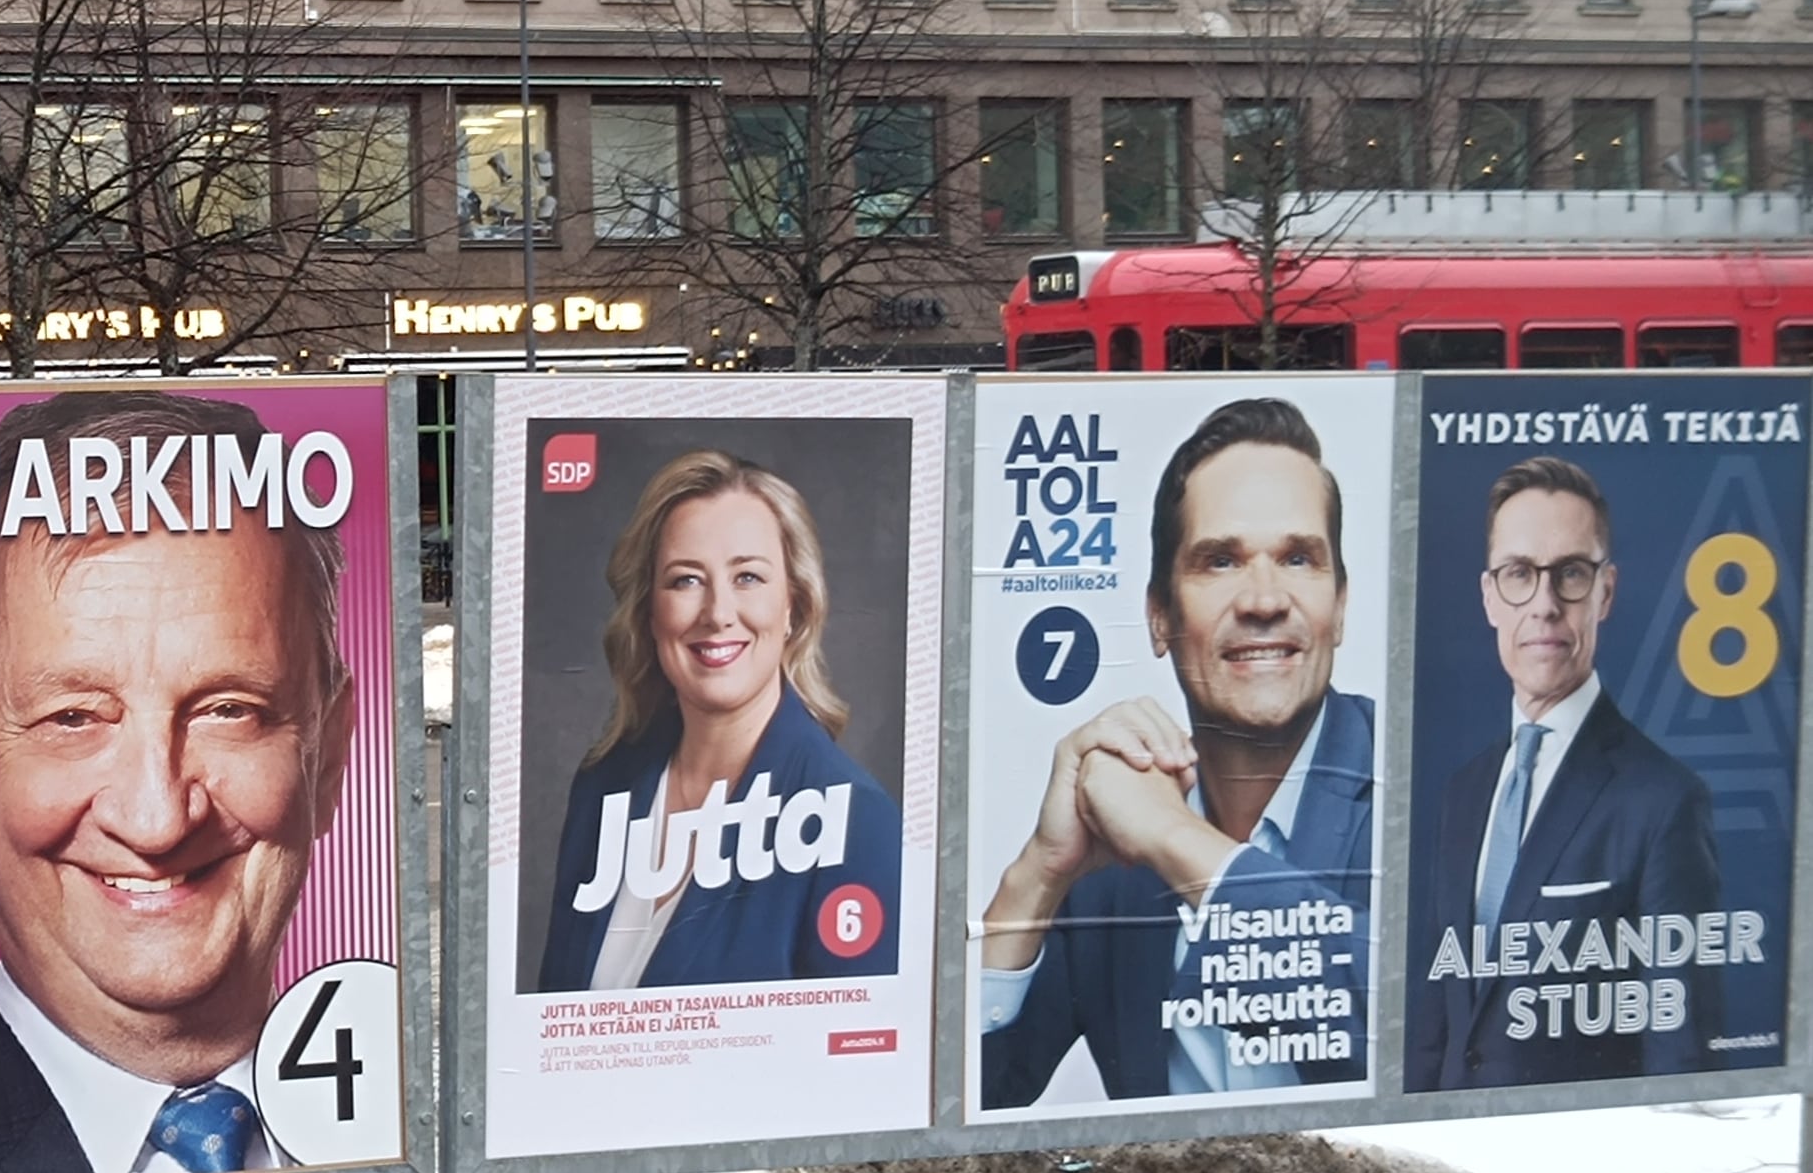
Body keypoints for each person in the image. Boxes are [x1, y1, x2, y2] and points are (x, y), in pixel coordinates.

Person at [0, 386, 360, 1173]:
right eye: (74, 717)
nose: (156, 819)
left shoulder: (429, 1122)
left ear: (327, 756)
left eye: (229, 709)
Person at [977, 396, 1377, 1109]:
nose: (1263, 598)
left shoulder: (1427, 784)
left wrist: (1176, 840)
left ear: (1339, 606)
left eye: (1297, 557)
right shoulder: (1110, 854)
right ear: (1160, 616)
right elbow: (966, 1095)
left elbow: (1411, 1025)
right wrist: (1036, 873)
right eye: (1220, 560)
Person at [1411, 454, 1722, 1090]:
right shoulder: (1463, 793)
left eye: (1571, 574)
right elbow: (1438, 1014)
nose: (1545, 605)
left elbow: (1679, 1050)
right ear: (1489, 596)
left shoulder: (1664, 801)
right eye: (1520, 574)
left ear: (1605, 592)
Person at [536, 452, 902, 991]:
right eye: (686, 581)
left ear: (793, 607)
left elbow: (861, 1056)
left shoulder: (853, 820)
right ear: (648, 610)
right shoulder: (605, 787)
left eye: (748, 577)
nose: (717, 613)